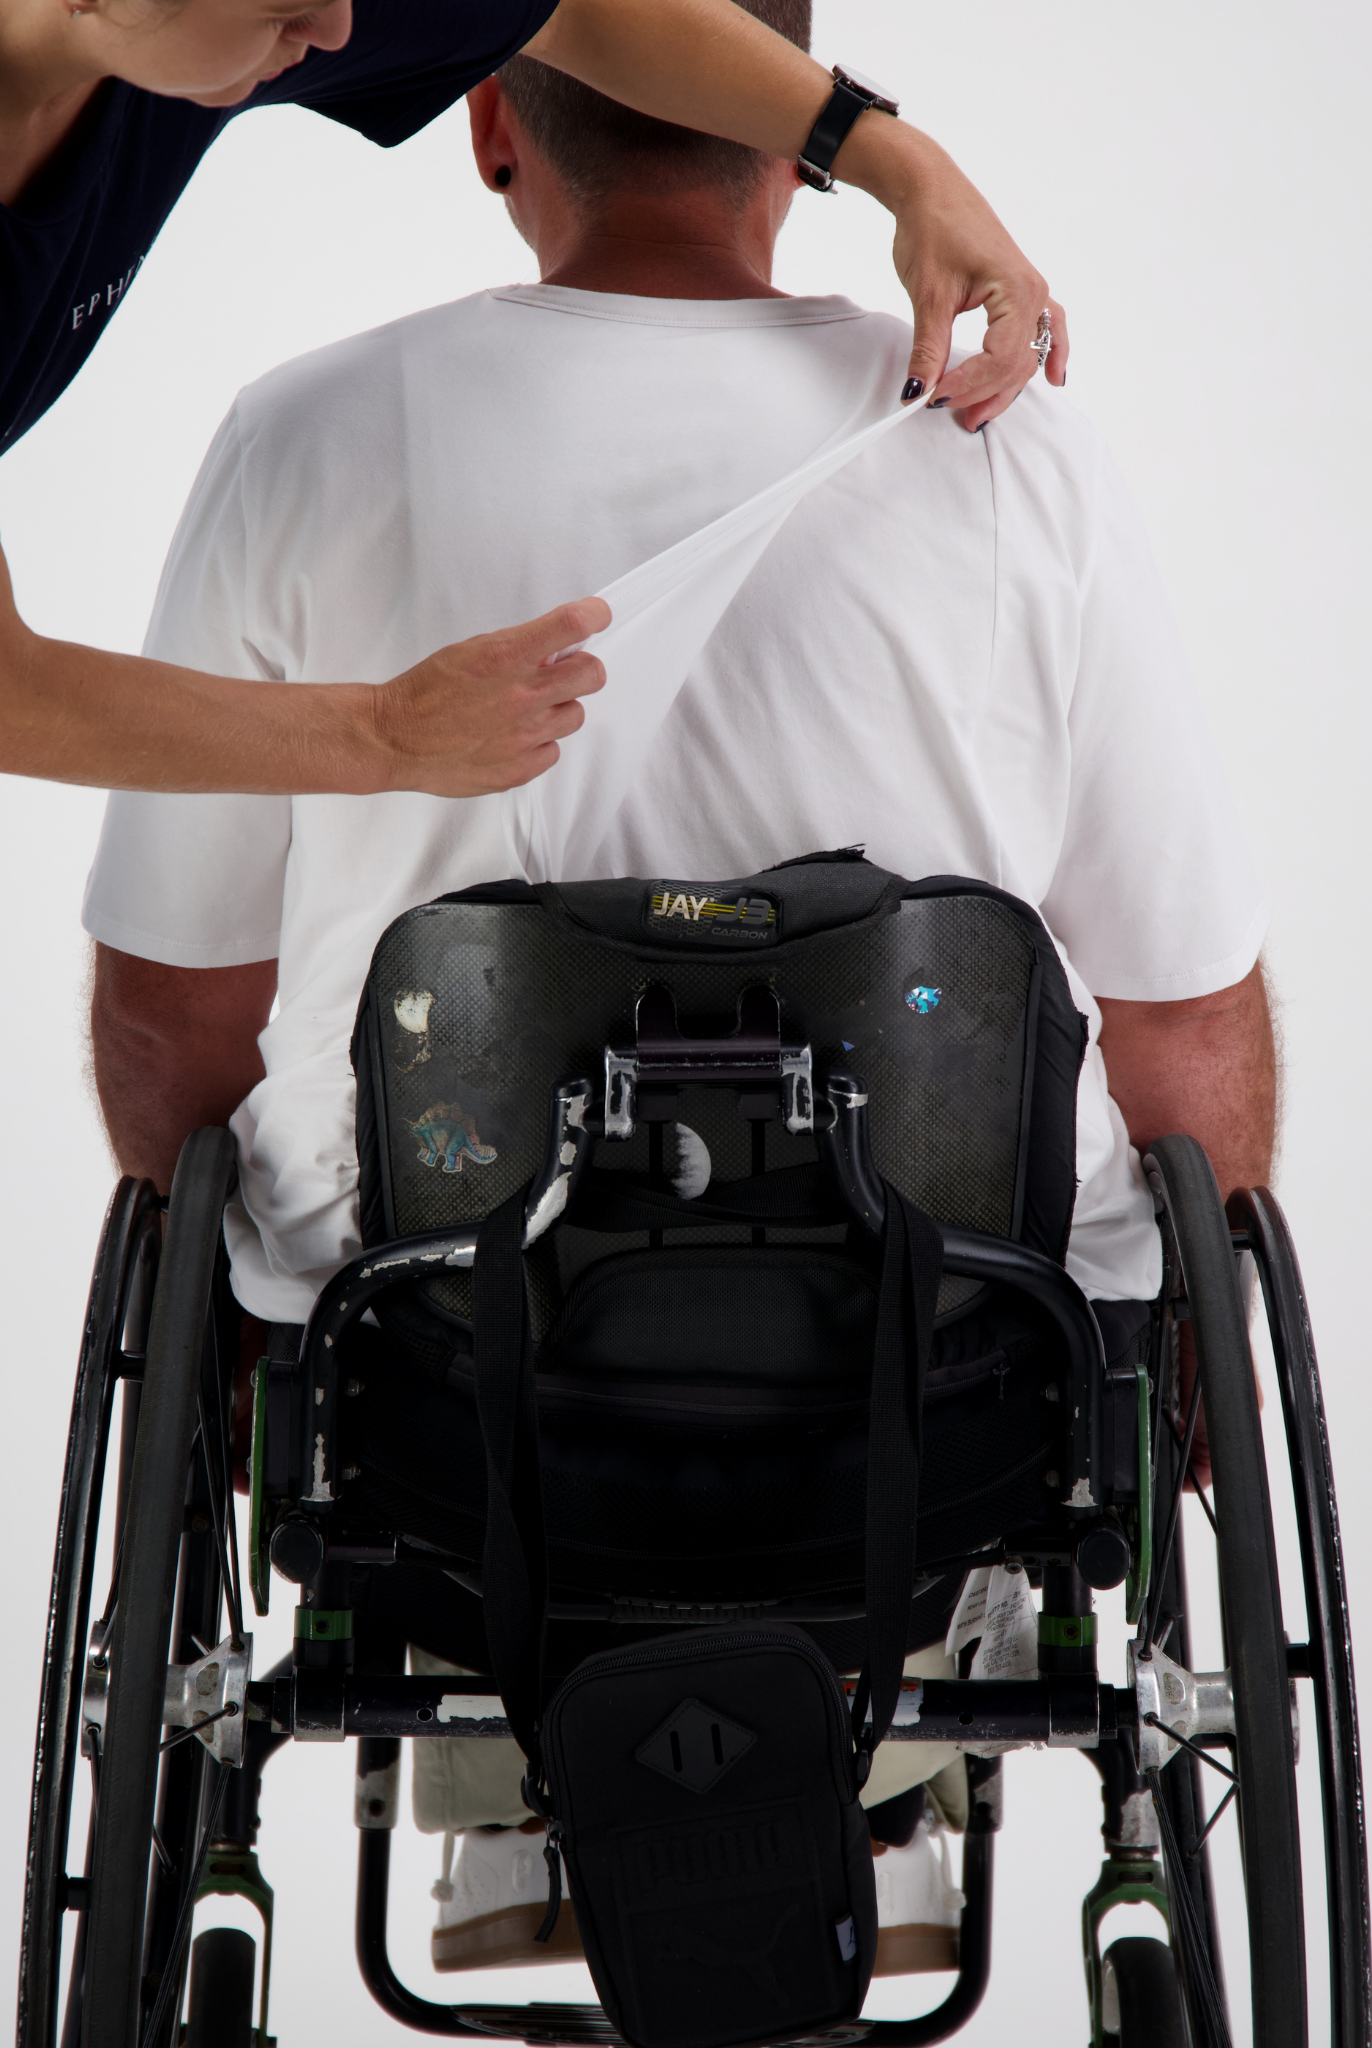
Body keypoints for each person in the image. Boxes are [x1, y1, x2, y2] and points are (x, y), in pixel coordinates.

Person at [83, 0, 1271, 1976]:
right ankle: (870, 1802)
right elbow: (1184, 1042)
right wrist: (1182, 1404)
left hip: (434, 1415)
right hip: (936, 1414)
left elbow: (175, 1025)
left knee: (375, 1223)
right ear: (782, 148)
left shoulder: (299, 434)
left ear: (486, 125)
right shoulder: (1010, 455)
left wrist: (231, 1376)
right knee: (988, 1239)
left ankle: (525, 1814)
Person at [3, 0, 1064, 797]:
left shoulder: (185, 26)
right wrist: (383, 734)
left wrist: (902, 163)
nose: (335, 25)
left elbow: (571, 11)